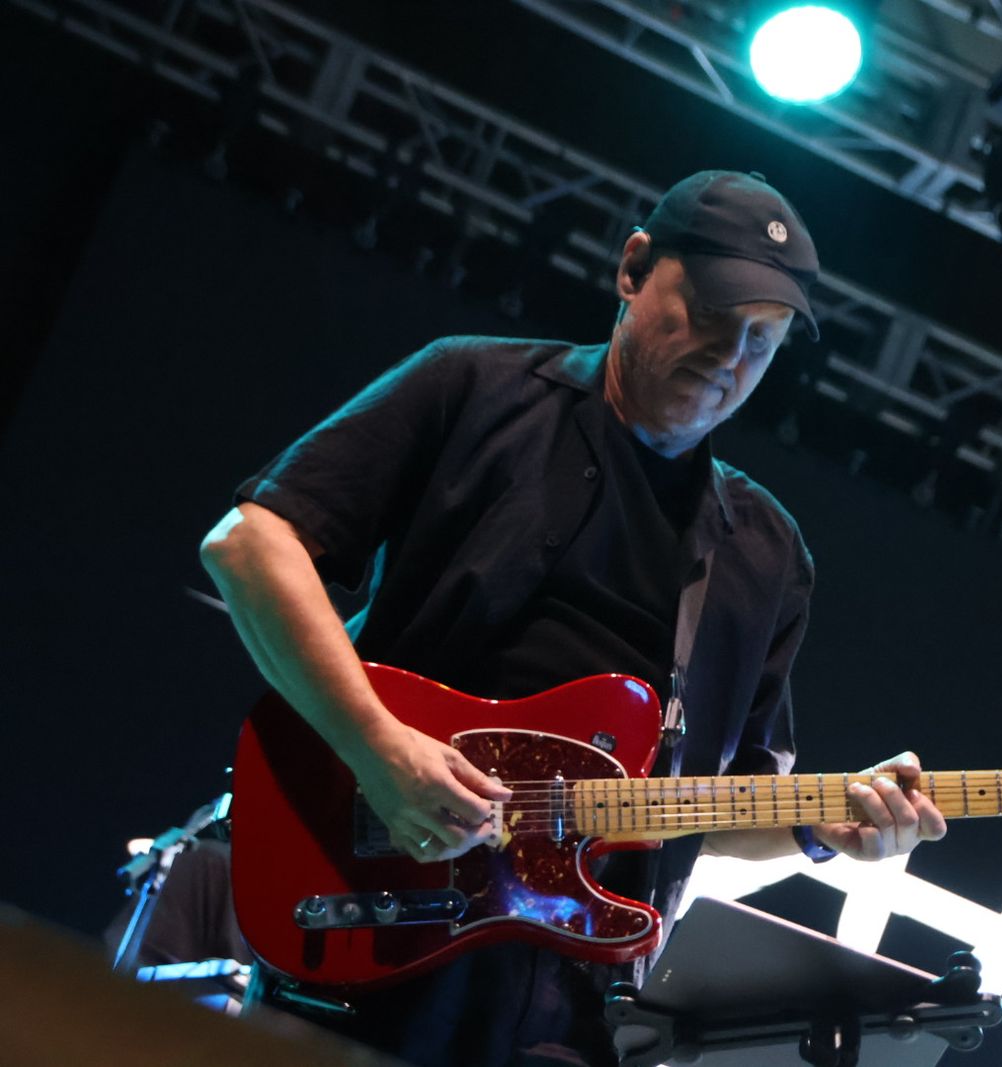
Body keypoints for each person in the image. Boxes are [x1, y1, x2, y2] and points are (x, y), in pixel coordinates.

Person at [199, 170, 947, 1065]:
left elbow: (714, 807)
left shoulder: (767, 554)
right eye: (712, 312)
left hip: (571, 1013)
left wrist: (822, 829)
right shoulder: (474, 385)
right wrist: (378, 747)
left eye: (762, 339)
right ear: (634, 268)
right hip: (372, 926)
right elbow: (249, 544)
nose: (729, 355)